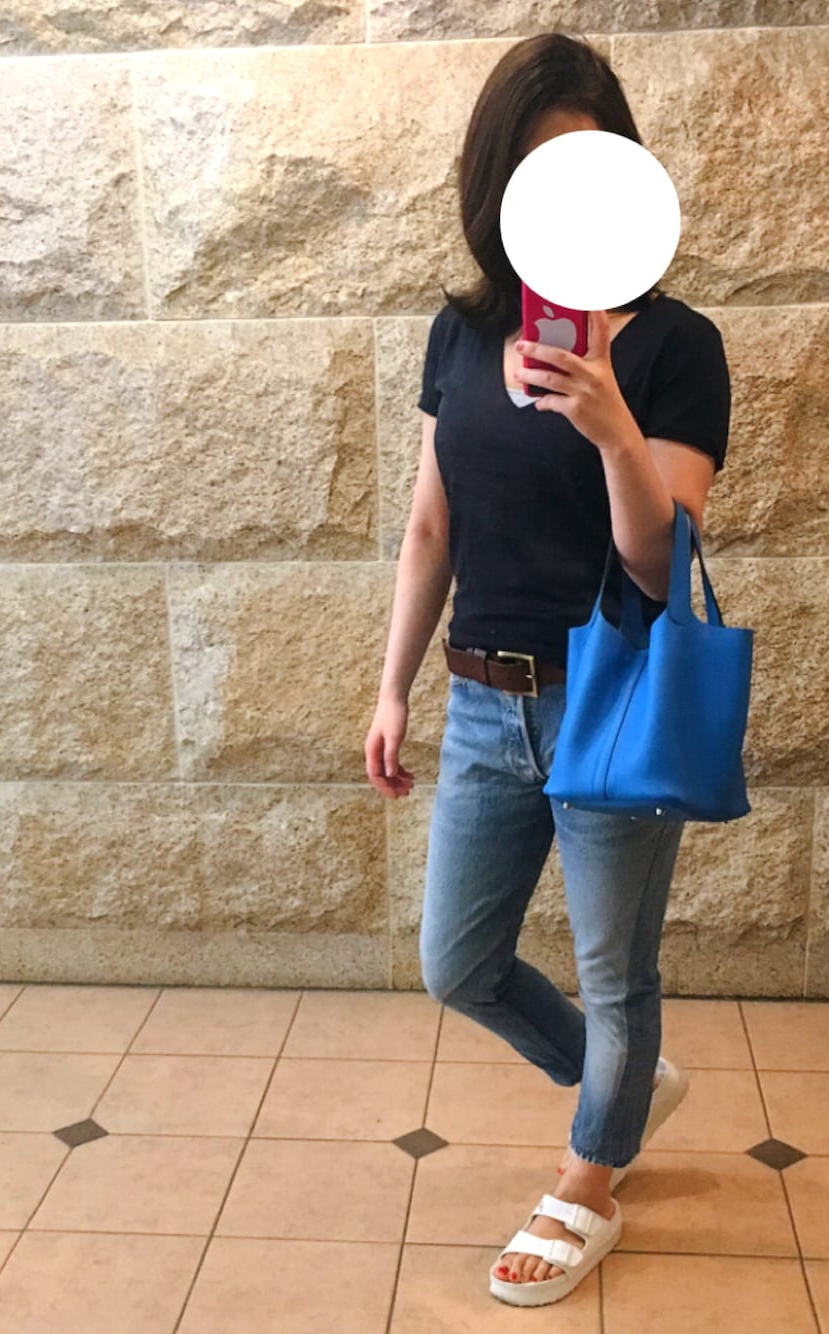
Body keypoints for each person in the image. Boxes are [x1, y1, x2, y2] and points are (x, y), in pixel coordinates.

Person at [363, 32, 731, 1309]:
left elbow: (656, 562)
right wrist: (392, 685)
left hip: (609, 694)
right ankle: (618, 1085)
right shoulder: (464, 335)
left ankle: (589, 1176)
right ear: (497, 187)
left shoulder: (678, 348)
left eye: (584, 168)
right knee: (457, 961)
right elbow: (430, 524)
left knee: (618, 970)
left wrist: (614, 428)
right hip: (480, 698)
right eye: (533, 173)